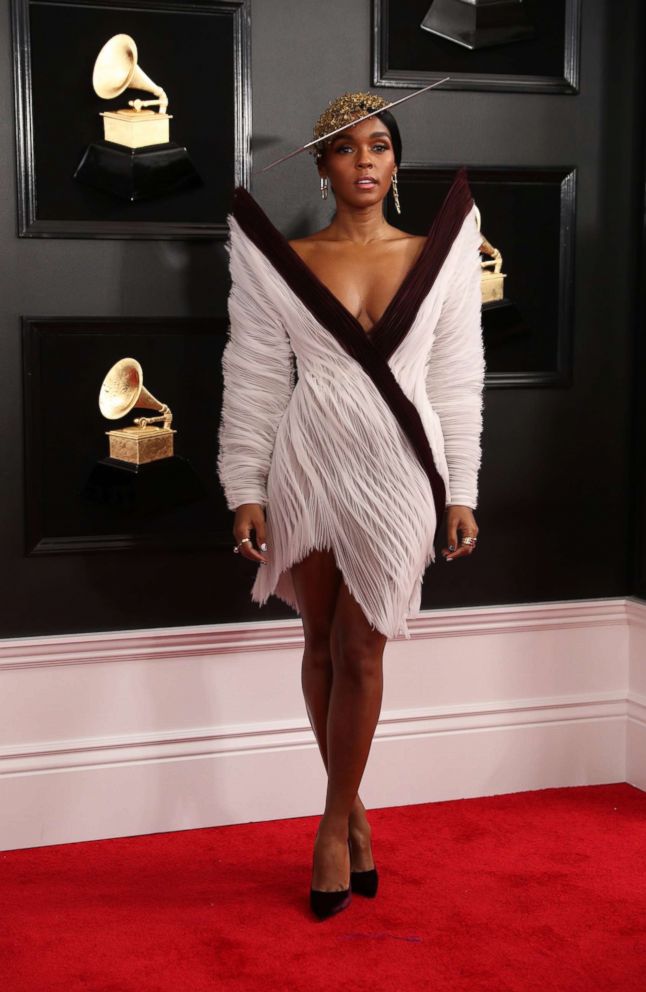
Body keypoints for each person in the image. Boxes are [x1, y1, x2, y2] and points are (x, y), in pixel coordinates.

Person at [217, 91, 485, 920]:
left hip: (402, 471)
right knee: (321, 646)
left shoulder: (439, 255)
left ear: (396, 163)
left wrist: (464, 490)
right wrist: (245, 487)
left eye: (379, 145)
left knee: (364, 648)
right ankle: (358, 814)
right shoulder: (281, 258)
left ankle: (332, 825)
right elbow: (256, 375)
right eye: (345, 147)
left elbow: (454, 380)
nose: (364, 159)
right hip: (309, 462)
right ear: (322, 165)